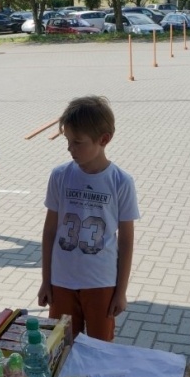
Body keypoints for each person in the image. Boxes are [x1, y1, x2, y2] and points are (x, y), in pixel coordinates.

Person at [37, 96, 140, 342]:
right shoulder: (60, 176)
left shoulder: (121, 182)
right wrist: (46, 280)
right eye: (68, 141)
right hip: (62, 280)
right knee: (61, 348)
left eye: (77, 142)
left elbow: (126, 240)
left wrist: (121, 291)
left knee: (99, 349)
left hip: (100, 282)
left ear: (104, 139)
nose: (70, 148)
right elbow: (50, 230)